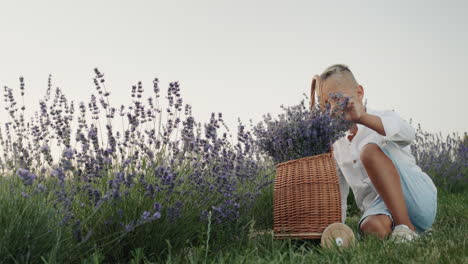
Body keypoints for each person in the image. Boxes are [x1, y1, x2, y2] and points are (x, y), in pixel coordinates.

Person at [312, 64, 437, 242]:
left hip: (413, 195)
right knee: (372, 229)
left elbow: (409, 134)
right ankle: (406, 231)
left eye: (337, 98)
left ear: (359, 93)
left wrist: (362, 118)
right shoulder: (336, 145)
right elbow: (339, 191)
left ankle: (406, 228)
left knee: (369, 151)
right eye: (325, 104)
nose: (332, 109)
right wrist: (336, 228)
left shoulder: (383, 117)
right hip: (379, 208)